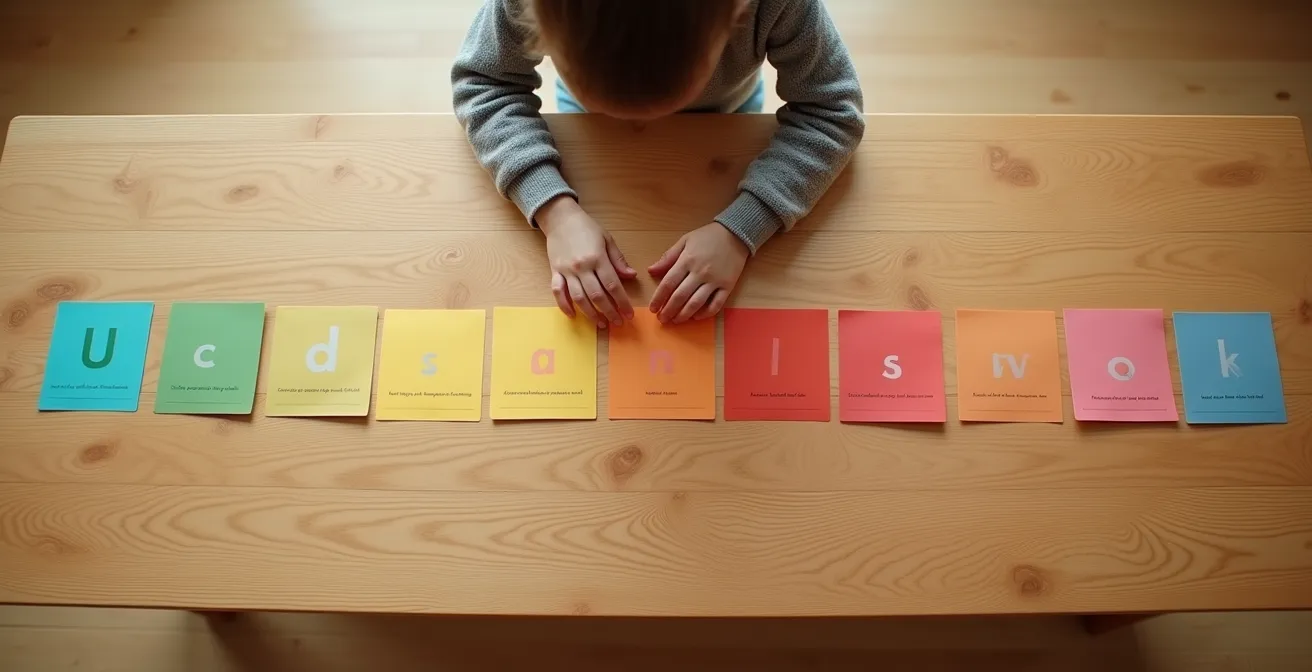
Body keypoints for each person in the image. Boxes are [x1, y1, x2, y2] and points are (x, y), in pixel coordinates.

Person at [452, 0, 864, 328]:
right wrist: (553, 210)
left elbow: (831, 112)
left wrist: (745, 226)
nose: (642, 124)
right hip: (590, 135)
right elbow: (485, 84)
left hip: (724, 117)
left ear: (738, 11)